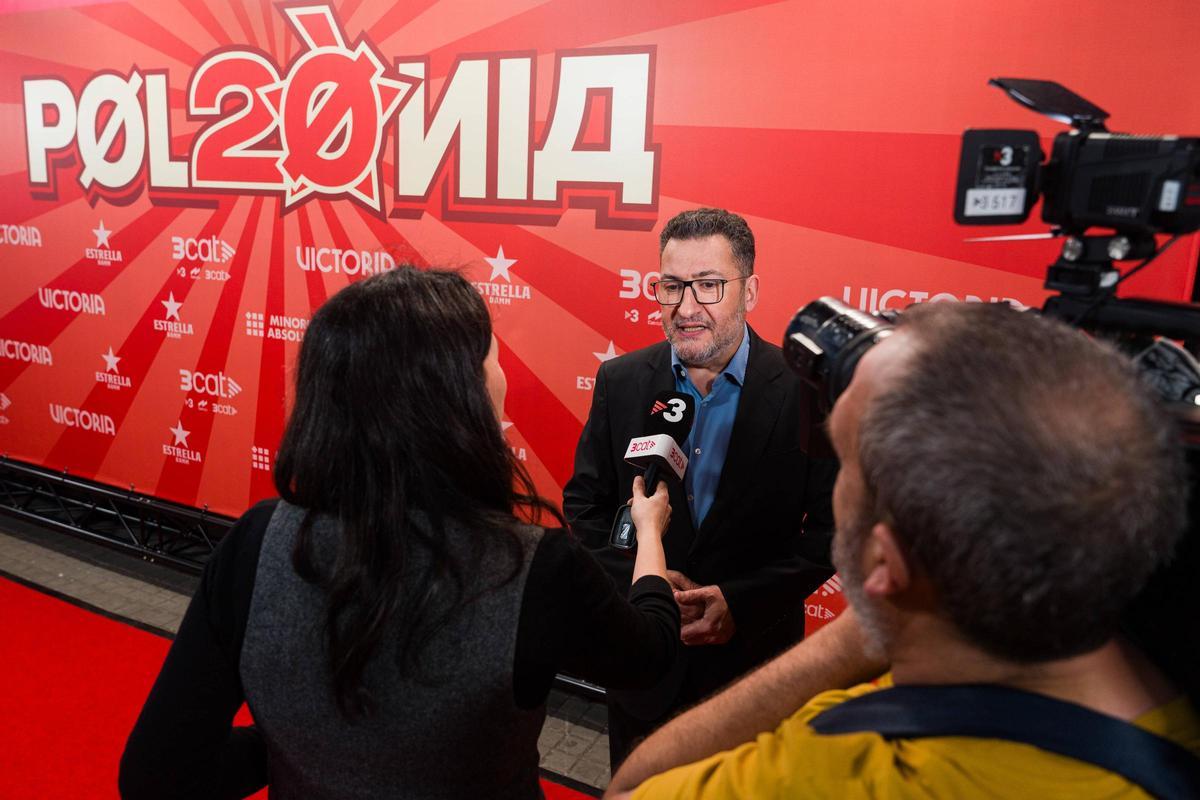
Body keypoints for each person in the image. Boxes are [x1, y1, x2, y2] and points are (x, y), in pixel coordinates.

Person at [118, 266, 680, 800]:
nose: (503, 376)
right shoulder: (536, 566)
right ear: (462, 395)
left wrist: (300, 744)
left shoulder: (255, 541)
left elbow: (160, 775)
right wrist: (648, 534)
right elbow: (648, 662)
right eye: (493, 358)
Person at [605, 301, 1200, 799]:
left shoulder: (846, 769)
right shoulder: (1167, 697)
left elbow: (631, 788)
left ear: (886, 564)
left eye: (846, 462)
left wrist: (859, 636)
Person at [564, 208, 837, 766]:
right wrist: (648, 580)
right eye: (671, 286)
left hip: (753, 672)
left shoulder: (805, 390)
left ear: (749, 291)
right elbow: (584, 506)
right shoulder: (621, 381)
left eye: (709, 286)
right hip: (644, 661)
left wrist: (739, 601)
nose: (686, 308)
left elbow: (832, 532)